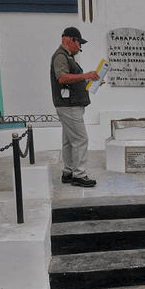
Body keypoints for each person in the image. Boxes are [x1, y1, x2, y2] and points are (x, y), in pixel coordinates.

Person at [50, 26, 101, 187]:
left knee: (69, 141)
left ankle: (68, 172)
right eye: (79, 43)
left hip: (69, 105)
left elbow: (73, 80)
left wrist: (88, 81)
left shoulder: (68, 57)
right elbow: (62, 78)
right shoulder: (60, 56)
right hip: (69, 106)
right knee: (80, 139)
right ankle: (79, 175)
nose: (80, 47)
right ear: (71, 40)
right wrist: (85, 75)